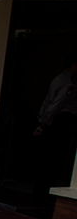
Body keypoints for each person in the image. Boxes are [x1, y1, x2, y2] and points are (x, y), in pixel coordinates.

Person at [33, 50, 77, 193]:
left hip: (54, 120)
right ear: (74, 65)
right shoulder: (68, 83)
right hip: (61, 121)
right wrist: (44, 123)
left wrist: (42, 121)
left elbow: (48, 101)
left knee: (49, 157)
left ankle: (41, 190)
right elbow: (56, 104)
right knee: (55, 158)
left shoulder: (58, 79)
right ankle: (44, 190)